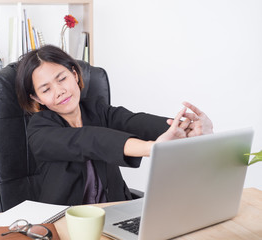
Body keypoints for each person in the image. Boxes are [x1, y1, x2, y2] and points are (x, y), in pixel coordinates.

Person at [15, 45, 213, 205]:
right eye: (46, 89)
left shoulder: (98, 110)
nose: (59, 91)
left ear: (75, 75)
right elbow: (89, 140)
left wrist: (189, 129)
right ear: (36, 98)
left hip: (116, 213)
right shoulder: (39, 130)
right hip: (66, 223)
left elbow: (136, 121)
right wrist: (151, 148)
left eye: (62, 79)